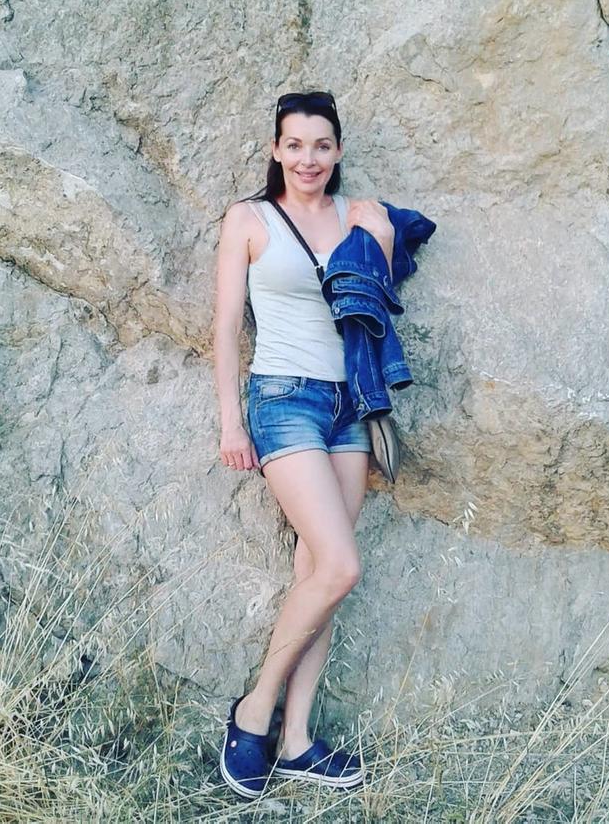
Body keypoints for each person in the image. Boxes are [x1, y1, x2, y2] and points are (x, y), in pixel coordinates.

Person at [213, 90, 395, 798]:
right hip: (285, 400)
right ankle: (254, 711)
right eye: (294, 145)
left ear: (338, 150)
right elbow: (226, 326)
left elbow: (378, 300)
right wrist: (231, 422)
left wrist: (380, 233)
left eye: (321, 145)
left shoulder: (359, 216)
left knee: (318, 573)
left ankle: (295, 741)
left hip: (349, 408)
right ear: (276, 149)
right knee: (342, 566)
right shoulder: (249, 220)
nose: (308, 158)